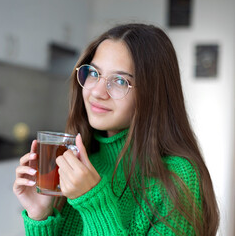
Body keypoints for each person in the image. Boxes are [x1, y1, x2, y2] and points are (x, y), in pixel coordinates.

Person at [13, 23, 219, 235]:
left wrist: (94, 203)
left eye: (120, 80)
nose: (97, 91)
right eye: (94, 73)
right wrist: (40, 215)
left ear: (153, 94)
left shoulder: (175, 176)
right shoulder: (79, 164)